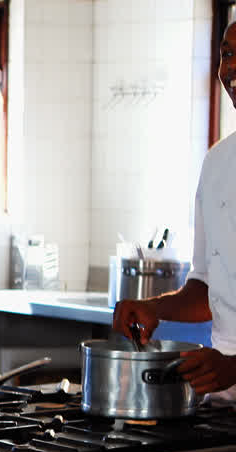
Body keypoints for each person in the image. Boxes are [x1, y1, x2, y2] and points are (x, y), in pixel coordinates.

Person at [111, 20, 236, 401]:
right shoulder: (217, 164)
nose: (230, 67)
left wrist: (234, 366)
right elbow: (207, 289)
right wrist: (154, 308)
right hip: (224, 399)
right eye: (227, 54)